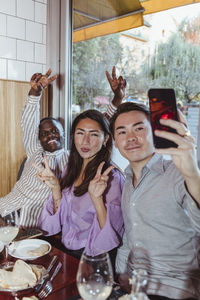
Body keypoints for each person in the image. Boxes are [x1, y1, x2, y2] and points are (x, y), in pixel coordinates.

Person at [0, 67, 126, 228]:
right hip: (3, 208)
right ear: (39, 139)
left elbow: (97, 125)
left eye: (54, 131)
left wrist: (117, 99)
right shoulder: (35, 150)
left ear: (64, 134)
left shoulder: (72, 158)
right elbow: (28, 122)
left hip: (28, 226)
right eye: (44, 134)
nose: (50, 135)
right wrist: (36, 92)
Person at [109, 102, 200, 299]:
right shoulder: (126, 179)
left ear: (155, 132)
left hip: (174, 289)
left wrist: (193, 175)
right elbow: (129, 237)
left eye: (139, 128)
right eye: (122, 132)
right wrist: (119, 278)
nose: (131, 137)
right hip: (132, 286)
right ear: (115, 141)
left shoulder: (179, 172)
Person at [36, 109, 124, 257]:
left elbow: (109, 240)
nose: (85, 141)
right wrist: (56, 189)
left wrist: (97, 200)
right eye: (80, 133)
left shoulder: (112, 179)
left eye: (94, 134)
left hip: (92, 257)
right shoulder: (70, 169)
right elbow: (51, 227)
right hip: (66, 249)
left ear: (106, 139)